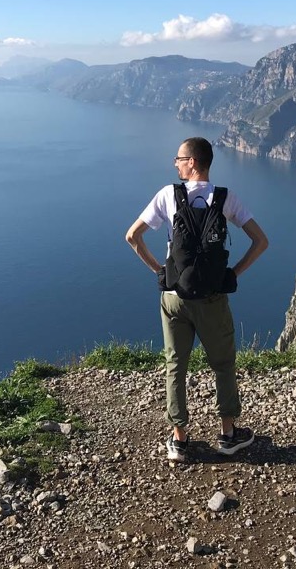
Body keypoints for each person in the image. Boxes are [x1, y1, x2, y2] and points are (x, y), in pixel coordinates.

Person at [125, 137, 268, 462]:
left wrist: (160, 272)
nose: (175, 164)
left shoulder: (167, 195)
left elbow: (132, 236)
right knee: (222, 364)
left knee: (176, 366)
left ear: (192, 162)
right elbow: (261, 241)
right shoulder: (225, 198)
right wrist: (233, 274)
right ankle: (228, 435)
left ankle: (179, 440)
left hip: (174, 298)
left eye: (179, 158)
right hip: (212, 298)